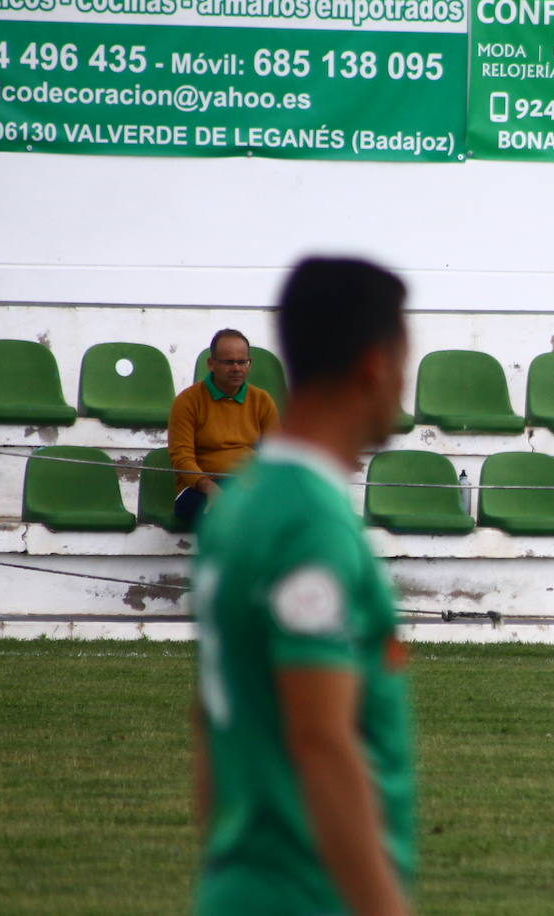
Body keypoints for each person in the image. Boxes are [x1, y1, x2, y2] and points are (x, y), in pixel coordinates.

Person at [191, 258, 415, 916]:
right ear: (376, 365)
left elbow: (209, 720)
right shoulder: (308, 521)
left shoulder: (243, 501)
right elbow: (320, 739)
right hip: (307, 892)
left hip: (244, 881)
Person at [168, 329, 280, 526]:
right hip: (199, 488)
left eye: (242, 362)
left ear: (250, 364)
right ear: (211, 364)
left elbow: (275, 455)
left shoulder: (262, 400)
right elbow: (181, 457)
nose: (236, 368)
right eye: (229, 362)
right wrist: (209, 487)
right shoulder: (188, 401)